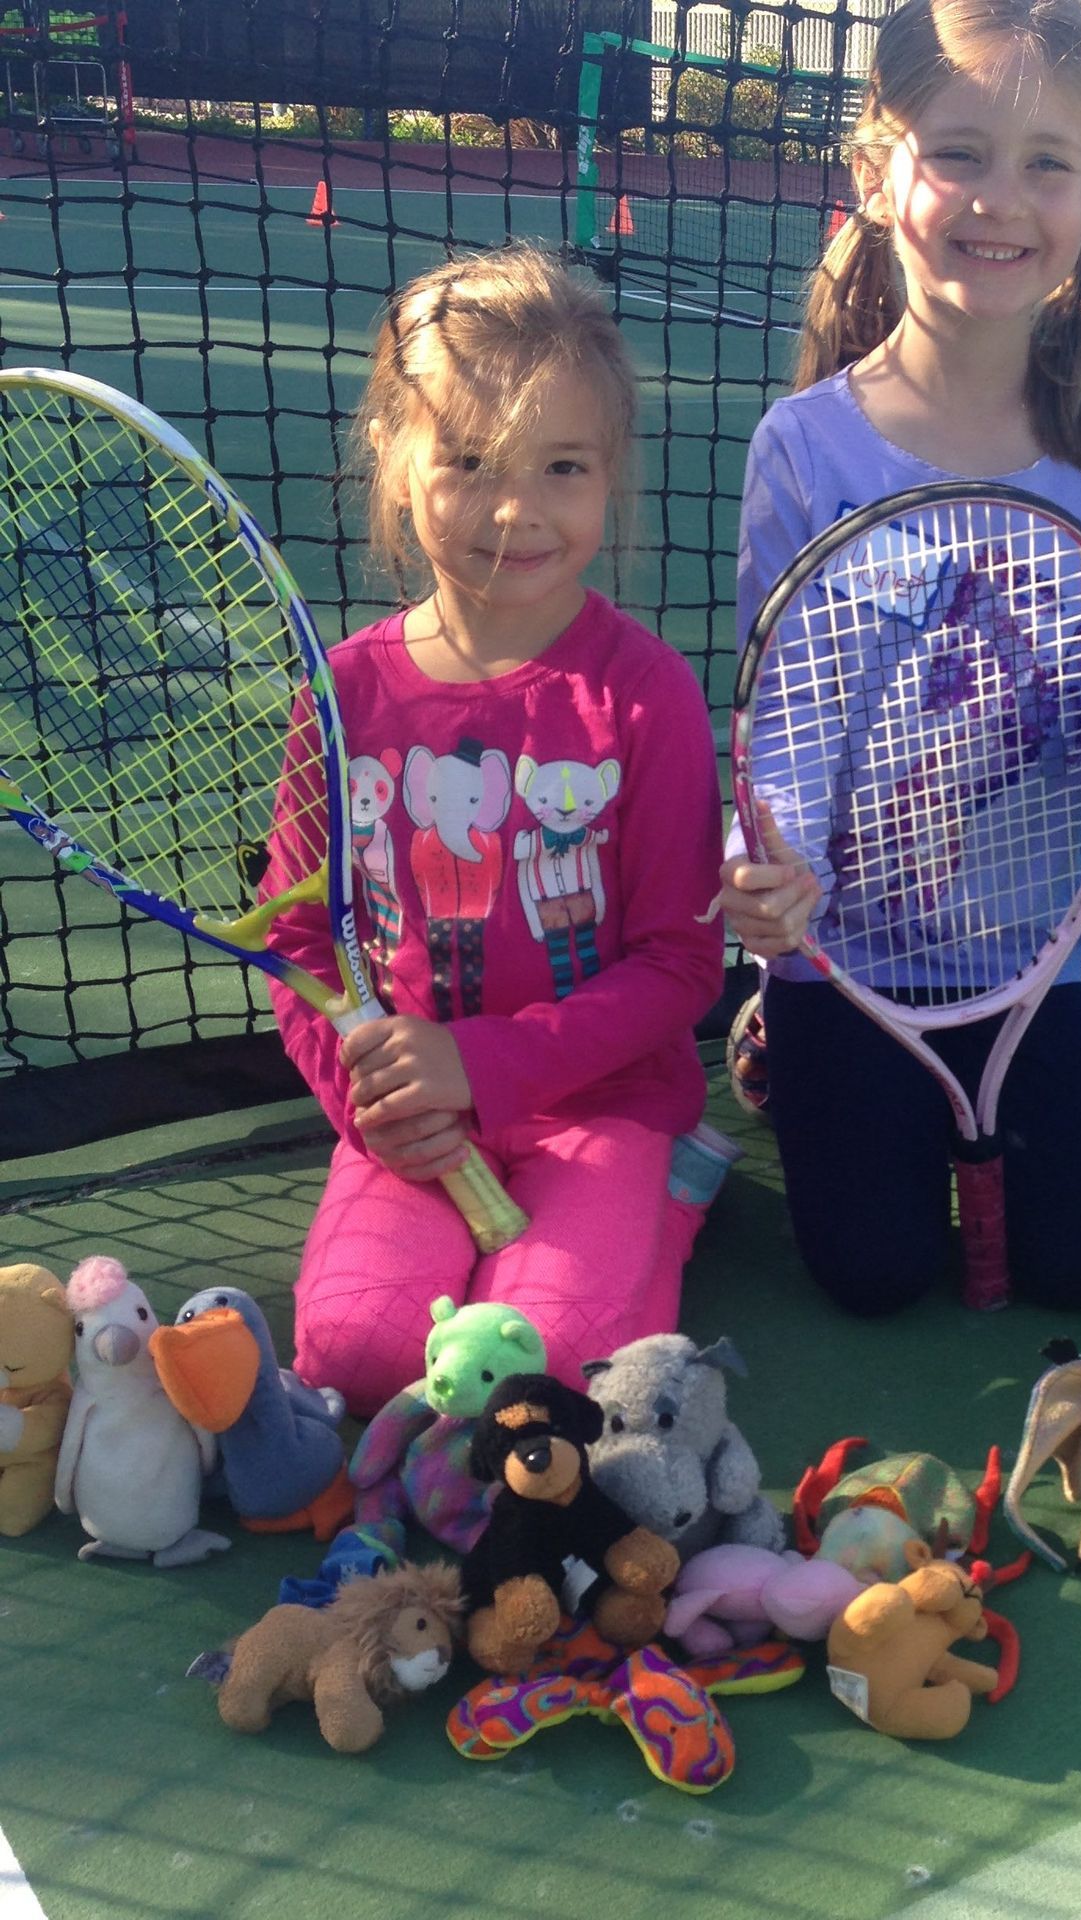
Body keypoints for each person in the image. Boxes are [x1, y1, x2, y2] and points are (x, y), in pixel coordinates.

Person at [716, 0, 1081, 1316]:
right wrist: (763, 873)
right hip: (843, 960)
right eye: (960, 152)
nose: (1002, 199)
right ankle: (777, 1030)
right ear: (876, 171)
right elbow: (784, 729)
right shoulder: (805, 449)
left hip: (1029, 955)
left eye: (1048, 162)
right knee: (873, 1275)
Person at [266, 243, 727, 1416]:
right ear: (394, 458)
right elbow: (300, 946)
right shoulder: (343, 693)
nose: (515, 509)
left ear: (609, 475)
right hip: (408, 1130)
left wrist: (478, 1063)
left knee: (546, 1365)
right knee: (359, 1355)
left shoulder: (646, 695)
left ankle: (665, 1197)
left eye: (561, 466)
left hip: (605, 1107)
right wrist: (373, 1106)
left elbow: (679, 963)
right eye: (468, 461)